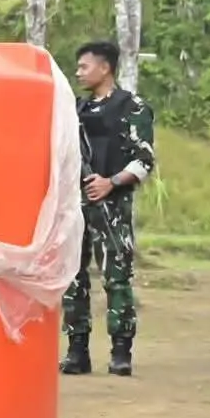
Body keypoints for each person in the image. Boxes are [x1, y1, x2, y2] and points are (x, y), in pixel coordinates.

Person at [58, 40, 155, 377]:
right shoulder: (77, 110)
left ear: (105, 68)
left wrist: (110, 182)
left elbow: (144, 160)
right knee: (72, 277)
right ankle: (76, 351)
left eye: (84, 66)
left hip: (112, 205)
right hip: (76, 205)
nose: (79, 72)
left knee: (117, 278)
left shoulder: (133, 107)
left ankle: (120, 352)